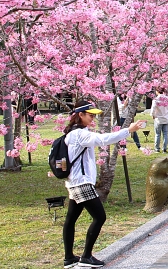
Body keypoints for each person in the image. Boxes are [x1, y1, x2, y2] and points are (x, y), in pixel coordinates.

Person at [62, 103, 146, 269]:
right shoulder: (80, 134)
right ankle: (85, 257)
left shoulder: (74, 134)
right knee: (100, 217)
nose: (92, 118)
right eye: (89, 115)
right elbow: (103, 140)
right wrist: (127, 130)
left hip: (75, 181)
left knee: (71, 219)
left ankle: (69, 258)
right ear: (80, 115)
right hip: (82, 183)